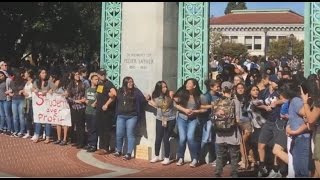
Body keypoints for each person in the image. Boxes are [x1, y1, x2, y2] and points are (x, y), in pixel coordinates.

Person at [113, 76, 147, 160]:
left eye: (132, 81)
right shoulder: (120, 90)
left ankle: (128, 153)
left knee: (130, 134)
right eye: (129, 82)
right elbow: (115, 99)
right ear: (125, 83)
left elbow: (143, 100)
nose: (131, 83)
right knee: (119, 134)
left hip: (132, 116)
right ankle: (118, 150)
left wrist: (147, 97)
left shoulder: (136, 91)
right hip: (121, 116)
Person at [212, 81, 241, 177]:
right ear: (232, 90)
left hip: (219, 133)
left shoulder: (216, 101)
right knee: (234, 154)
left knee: (220, 155)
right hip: (232, 132)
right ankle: (234, 173)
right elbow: (238, 119)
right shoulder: (235, 102)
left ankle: (218, 172)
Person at [173, 78, 204, 167]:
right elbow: (175, 104)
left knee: (190, 138)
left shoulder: (199, 96)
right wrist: (185, 110)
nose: (187, 84)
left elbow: (203, 109)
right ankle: (180, 158)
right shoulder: (182, 93)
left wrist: (195, 112)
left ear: (194, 86)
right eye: (186, 83)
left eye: (189, 83)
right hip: (182, 118)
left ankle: (194, 159)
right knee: (182, 139)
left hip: (193, 119)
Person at [148, 81, 176, 165]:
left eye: (166, 86)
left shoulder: (170, 94)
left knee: (166, 138)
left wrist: (171, 96)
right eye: (163, 87)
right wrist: (149, 100)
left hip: (170, 119)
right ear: (159, 88)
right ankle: (156, 156)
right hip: (160, 119)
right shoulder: (156, 95)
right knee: (158, 137)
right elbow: (157, 105)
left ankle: (167, 157)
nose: (165, 88)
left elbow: (166, 104)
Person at [95, 69, 117, 155]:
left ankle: (105, 148)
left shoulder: (108, 83)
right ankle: (101, 147)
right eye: (101, 74)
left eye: (104, 74)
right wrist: (95, 103)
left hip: (106, 111)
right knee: (100, 129)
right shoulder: (100, 84)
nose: (102, 76)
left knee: (106, 129)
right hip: (99, 110)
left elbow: (114, 94)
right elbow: (100, 95)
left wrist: (107, 104)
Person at [66, 70, 86, 148]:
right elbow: (67, 97)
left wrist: (84, 99)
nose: (78, 76)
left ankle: (82, 142)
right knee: (75, 125)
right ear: (73, 76)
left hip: (81, 107)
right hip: (74, 107)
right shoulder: (70, 85)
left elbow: (86, 93)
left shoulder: (83, 83)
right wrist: (75, 100)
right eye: (76, 75)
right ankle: (77, 141)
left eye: (78, 74)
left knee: (81, 125)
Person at [84, 73, 99, 152]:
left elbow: (99, 97)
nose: (97, 81)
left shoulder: (98, 89)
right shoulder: (88, 89)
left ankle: (93, 145)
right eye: (95, 79)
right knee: (89, 128)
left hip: (94, 112)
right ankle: (89, 144)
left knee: (93, 129)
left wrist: (95, 102)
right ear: (92, 80)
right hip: (88, 111)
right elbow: (85, 98)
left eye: (97, 79)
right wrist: (85, 100)